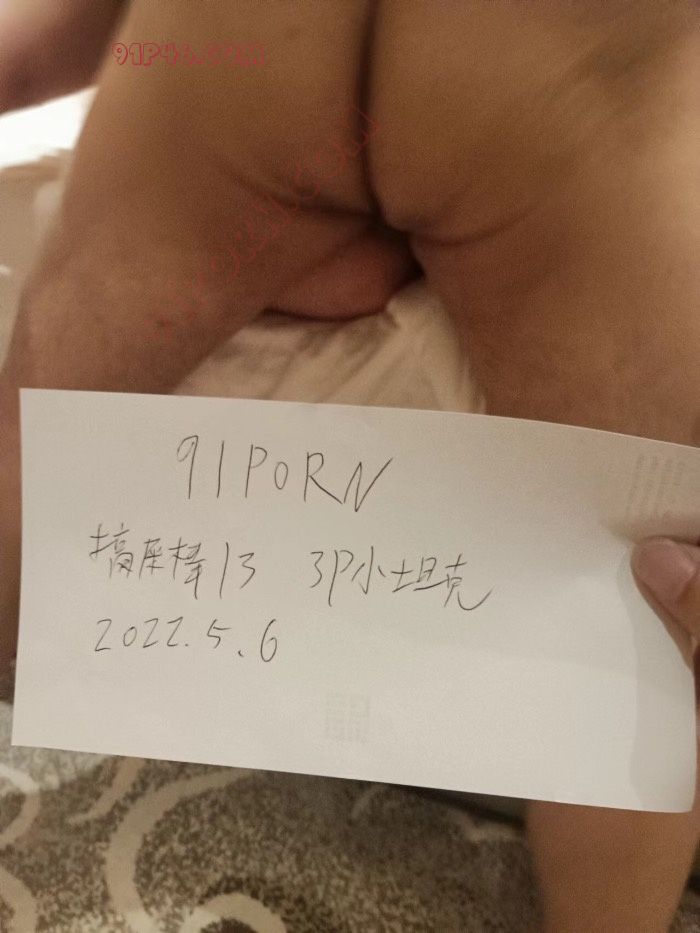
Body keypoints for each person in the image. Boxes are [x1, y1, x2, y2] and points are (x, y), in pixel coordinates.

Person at [0, 1, 699, 929]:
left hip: (246, 43)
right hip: (570, 68)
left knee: (29, 459)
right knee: (628, 615)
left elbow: (65, 29)